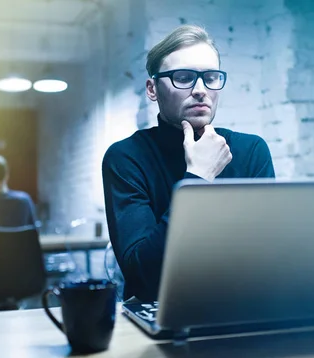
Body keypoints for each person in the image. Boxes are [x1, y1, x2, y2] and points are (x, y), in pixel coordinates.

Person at [101, 25, 276, 301]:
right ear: (152, 89)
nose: (200, 90)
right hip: (161, 318)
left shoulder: (251, 150)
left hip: (242, 309)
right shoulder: (125, 158)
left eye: (210, 77)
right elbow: (144, 276)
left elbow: (268, 261)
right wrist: (197, 178)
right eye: (183, 77)